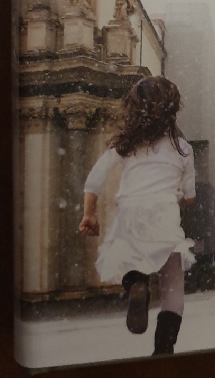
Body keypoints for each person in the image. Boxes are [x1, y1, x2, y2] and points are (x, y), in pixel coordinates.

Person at [79, 76, 196, 356]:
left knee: (131, 262)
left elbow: (94, 180)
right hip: (164, 215)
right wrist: (177, 198)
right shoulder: (183, 148)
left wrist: (89, 214)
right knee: (172, 286)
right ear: (172, 111)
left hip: (129, 214)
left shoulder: (124, 146)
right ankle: (163, 348)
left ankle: (137, 284)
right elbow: (189, 196)